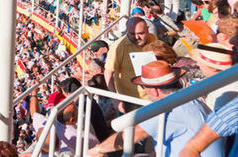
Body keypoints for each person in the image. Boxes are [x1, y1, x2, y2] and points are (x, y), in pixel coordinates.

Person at [88, 60, 224, 157]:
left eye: (144, 87)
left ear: (154, 91)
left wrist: (97, 149)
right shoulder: (188, 98)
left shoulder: (167, 108)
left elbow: (132, 135)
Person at [105, 17, 157, 103]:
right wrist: (115, 100)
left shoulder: (153, 38)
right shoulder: (118, 47)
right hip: (129, 100)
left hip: (152, 98)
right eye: (132, 34)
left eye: (141, 33)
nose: (137, 37)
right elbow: (108, 73)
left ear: (147, 29)